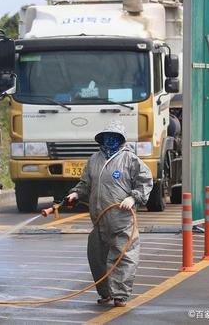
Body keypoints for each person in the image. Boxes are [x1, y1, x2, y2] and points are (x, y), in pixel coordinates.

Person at [66, 121, 153, 307]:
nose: (110, 139)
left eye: (115, 137)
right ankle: (105, 292)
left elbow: (145, 181)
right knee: (97, 257)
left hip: (122, 219)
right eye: (107, 136)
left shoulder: (130, 160)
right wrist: (75, 193)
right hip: (99, 220)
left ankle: (120, 295)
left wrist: (134, 197)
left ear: (121, 139)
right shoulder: (94, 160)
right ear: (102, 138)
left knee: (124, 256)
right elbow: (85, 184)